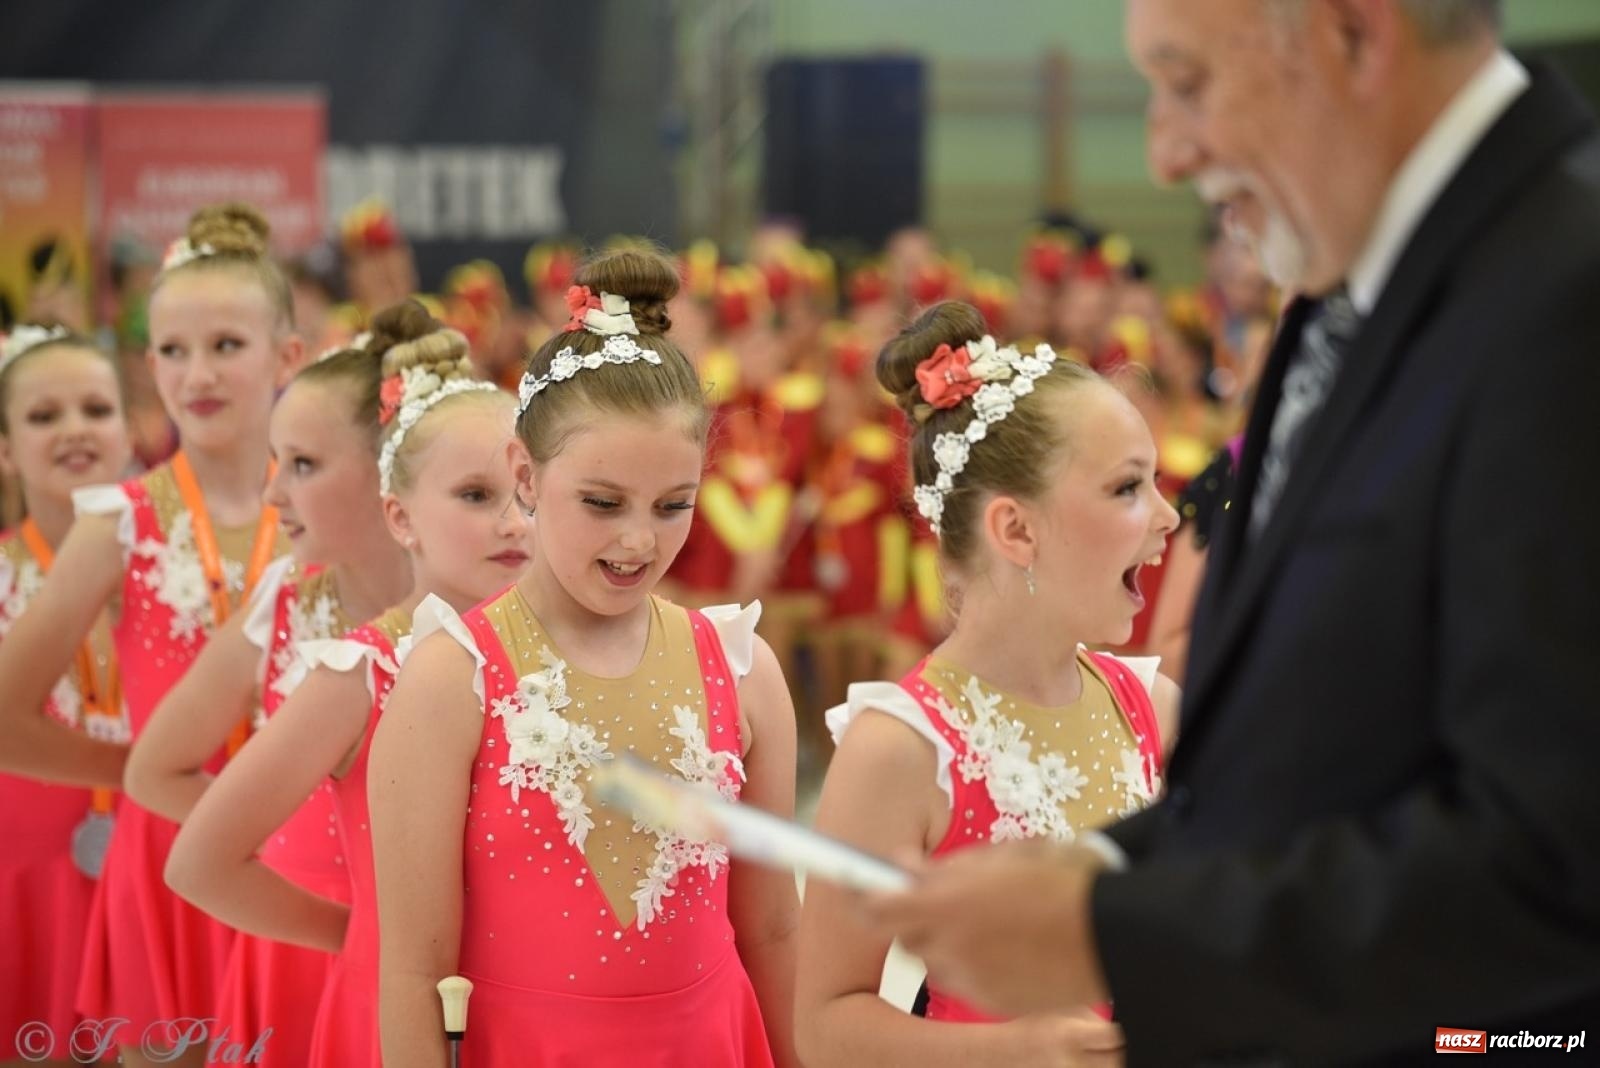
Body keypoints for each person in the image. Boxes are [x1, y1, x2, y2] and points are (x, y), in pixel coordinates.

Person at [862, 2, 1600, 1063]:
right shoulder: (1352, 289)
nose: (1165, 154)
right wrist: (1106, 871)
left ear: (1352, 34)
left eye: (1187, 82)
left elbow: (1551, 857)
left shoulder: (1564, 301)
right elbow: (1333, 743)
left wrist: (1116, 936)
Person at [369, 247, 800, 1067]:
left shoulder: (742, 668)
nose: (638, 540)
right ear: (525, 476)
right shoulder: (451, 679)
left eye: (673, 505)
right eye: (602, 503)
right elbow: (415, 970)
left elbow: (775, 930)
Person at [794, 303, 1178, 1068]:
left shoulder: (1151, 709)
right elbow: (826, 1024)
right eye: (1128, 489)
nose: (1167, 517)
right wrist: (1011, 1050)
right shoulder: (901, 750)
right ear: (1016, 530)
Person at [163, 300, 523, 1068]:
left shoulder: (547, 651)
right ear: (400, 509)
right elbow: (198, 855)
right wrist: (358, 932)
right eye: (477, 495)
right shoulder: (360, 668)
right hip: (382, 999)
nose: (514, 522)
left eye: (529, 492)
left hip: (522, 999)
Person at [0, 202, 298, 1067]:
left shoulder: (325, 511)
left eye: (226, 345)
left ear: (287, 356)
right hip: (169, 858)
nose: (196, 373)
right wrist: (141, 770)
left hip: (296, 855)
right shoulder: (119, 522)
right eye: (171, 350)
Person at [123, 306, 420, 1066]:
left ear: (391, 475)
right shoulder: (286, 602)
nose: (273, 494)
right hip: (307, 944)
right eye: (275, 463)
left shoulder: (487, 609)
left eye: (304, 465)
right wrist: (287, 848)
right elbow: (154, 769)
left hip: (438, 951)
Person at [0, 325, 133, 1066]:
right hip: (20, 897)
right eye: (44, 416)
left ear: (130, 432)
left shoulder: (184, 578)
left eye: (96, 409)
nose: (75, 429)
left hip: (148, 881)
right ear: (5, 448)